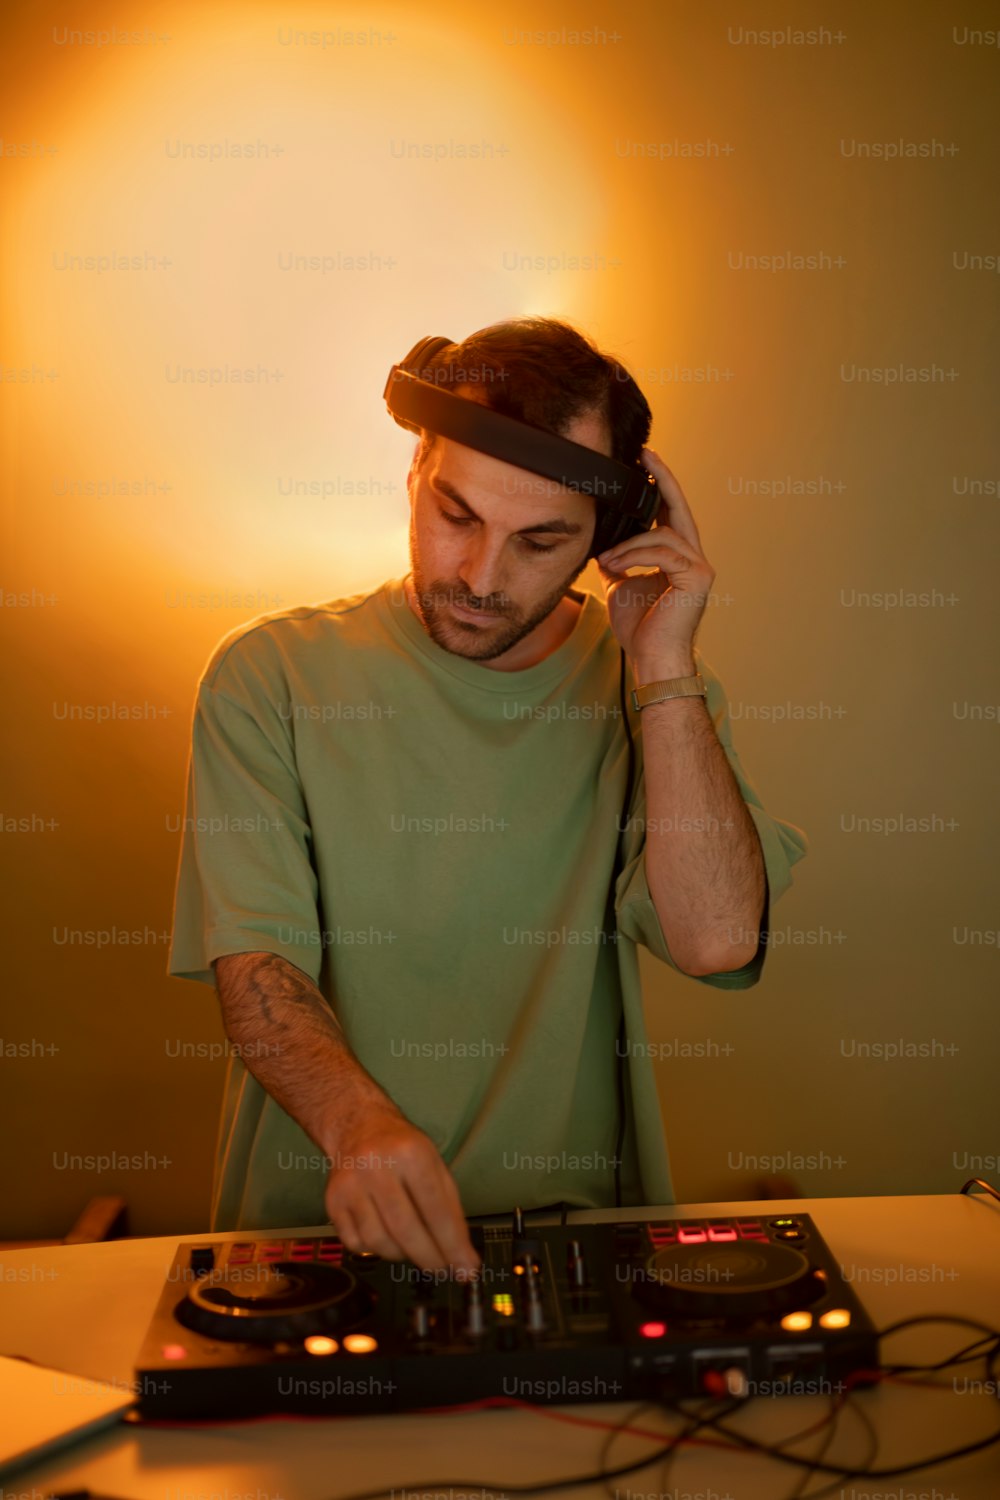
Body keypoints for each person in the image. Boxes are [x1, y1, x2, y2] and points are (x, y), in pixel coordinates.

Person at [167, 317, 807, 1277]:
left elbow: (714, 939)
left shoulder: (651, 692)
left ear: (614, 536)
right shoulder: (269, 676)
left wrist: (664, 668)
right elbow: (258, 969)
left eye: (541, 539)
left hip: (574, 1242)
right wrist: (361, 1129)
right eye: (455, 515)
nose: (479, 577)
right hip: (313, 1240)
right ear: (415, 472)